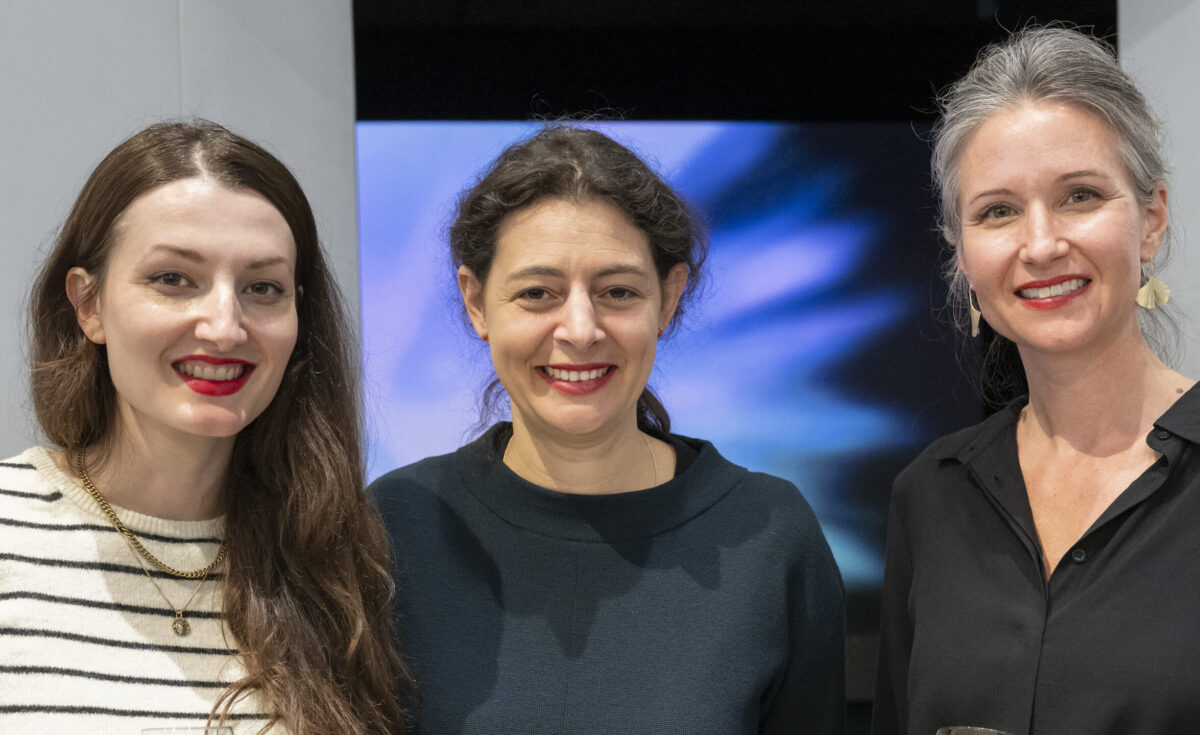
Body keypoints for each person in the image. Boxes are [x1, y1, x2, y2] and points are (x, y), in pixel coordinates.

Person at [371, 125, 845, 734]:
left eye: (617, 291)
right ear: (476, 302)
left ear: (668, 301)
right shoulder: (393, 527)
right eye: (538, 293)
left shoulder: (772, 536)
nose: (580, 329)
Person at [0, 121, 411, 733]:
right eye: (173, 279)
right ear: (89, 306)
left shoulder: (341, 559)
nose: (226, 326)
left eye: (262, 287)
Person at [873, 27, 1200, 735]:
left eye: (1080, 195)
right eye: (998, 210)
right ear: (961, 253)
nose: (1042, 243)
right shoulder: (929, 493)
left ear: (1151, 221)